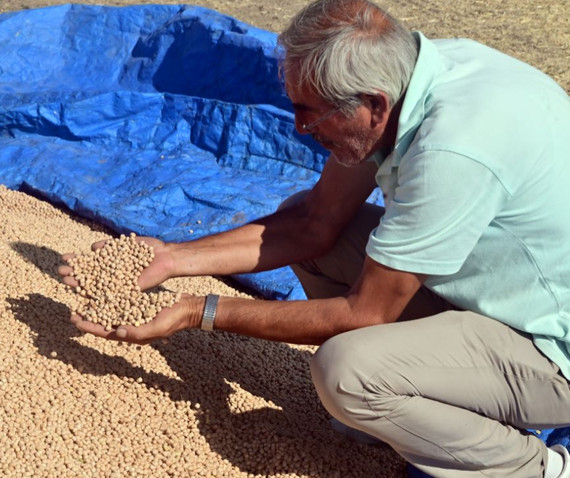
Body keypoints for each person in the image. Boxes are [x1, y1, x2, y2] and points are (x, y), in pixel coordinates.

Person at [58, 0, 570, 476]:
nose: (301, 128)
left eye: (312, 112)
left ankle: (537, 467)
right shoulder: (416, 77)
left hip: (551, 348)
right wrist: (171, 257)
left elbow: (365, 314)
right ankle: (416, 412)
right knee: (316, 228)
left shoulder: (454, 151)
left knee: (347, 372)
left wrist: (199, 311)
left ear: (374, 104)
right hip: (507, 295)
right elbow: (314, 224)